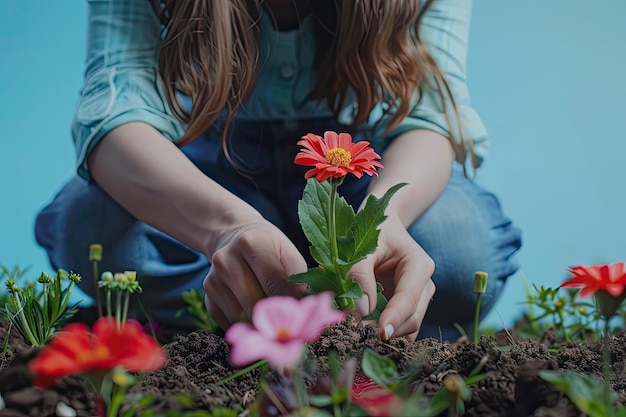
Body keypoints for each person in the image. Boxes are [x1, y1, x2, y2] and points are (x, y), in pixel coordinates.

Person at [35, 0, 522, 341]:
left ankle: (267, 311)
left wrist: (383, 218)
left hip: (363, 162)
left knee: (461, 251)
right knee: (90, 227)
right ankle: (269, 304)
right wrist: (227, 228)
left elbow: (430, 115)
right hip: (206, 159)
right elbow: (115, 114)